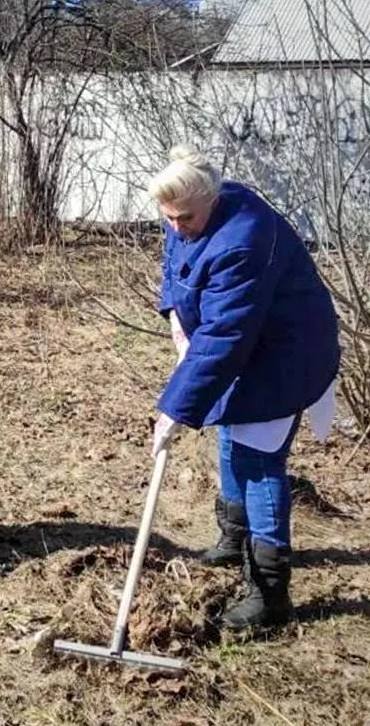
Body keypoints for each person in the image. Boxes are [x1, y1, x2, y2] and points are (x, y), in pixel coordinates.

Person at [149, 146, 339, 630]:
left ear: (211, 199)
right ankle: (234, 542)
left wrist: (175, 407)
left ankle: (269, 595)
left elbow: (226, 334)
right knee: (232, 439)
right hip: (247, 353)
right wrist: (175, 315)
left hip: (284, 355)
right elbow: (177, 265)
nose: (175, 227)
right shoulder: (190, 213)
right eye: (166, 218)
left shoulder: (245, 238)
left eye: (184, 218)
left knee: (258, 461)